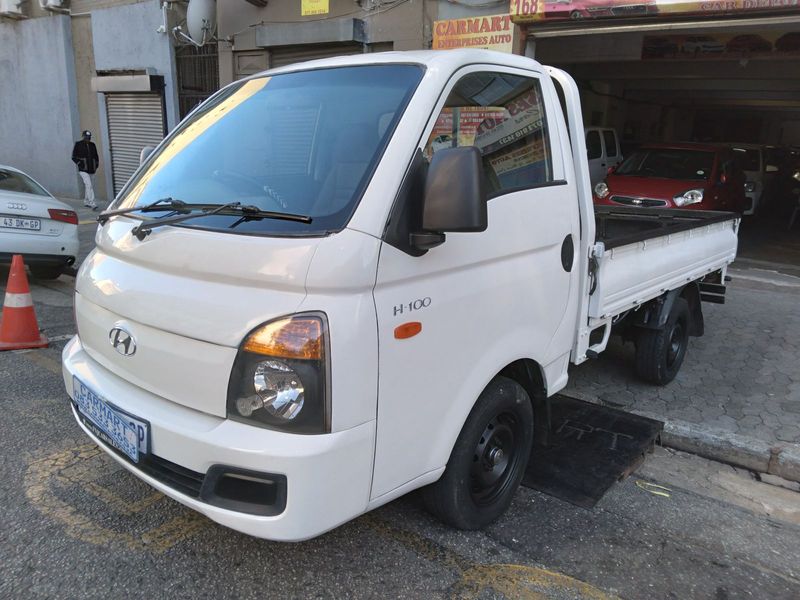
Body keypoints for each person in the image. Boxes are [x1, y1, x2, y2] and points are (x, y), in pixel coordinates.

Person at [72, 130, 100, 210]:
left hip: (92, 169)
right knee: (89, 185)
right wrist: (80, 163)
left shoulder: (92, 145)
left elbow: (96, 156)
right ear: (83, 136)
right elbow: (73, 157)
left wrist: (96, 164)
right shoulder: (78, 144)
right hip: (83, 170)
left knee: (88, 186)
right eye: (87, 137)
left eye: (89, 137)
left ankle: (86, 201)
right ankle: (92, 203)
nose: (88, 138)